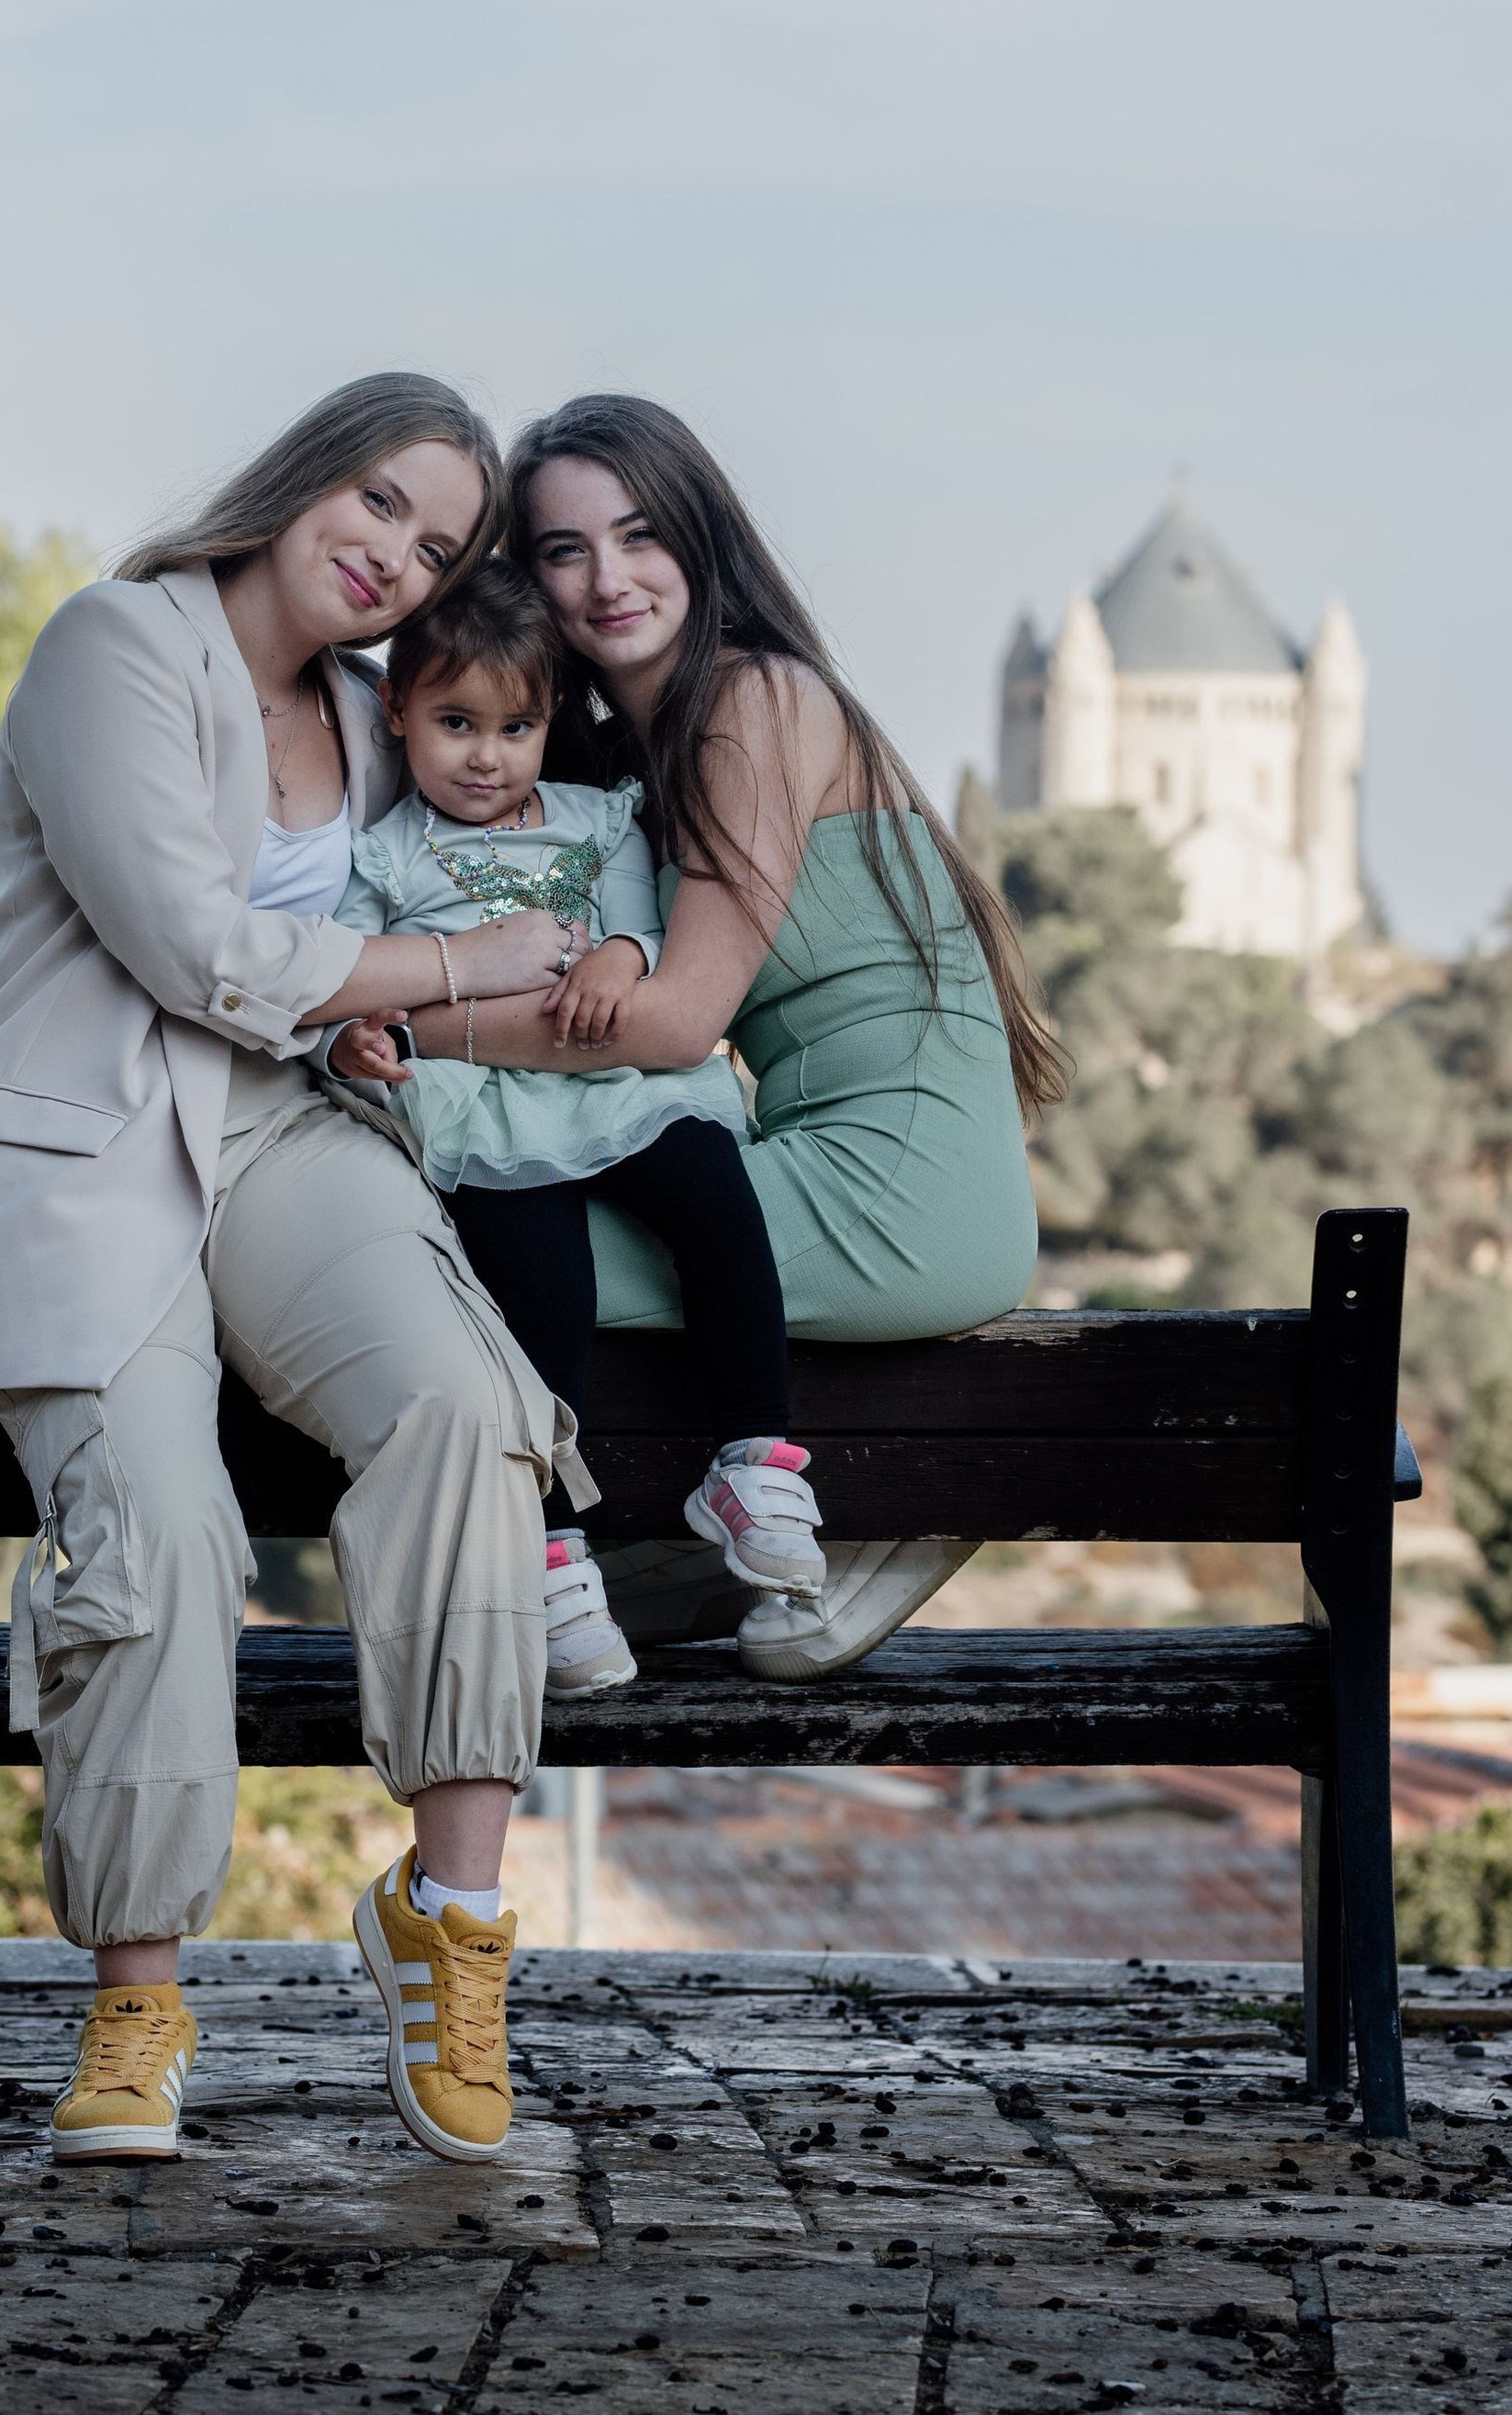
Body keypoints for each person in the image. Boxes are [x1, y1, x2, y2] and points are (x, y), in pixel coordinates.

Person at [0, 375, 579, 2180]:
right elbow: (186, 938)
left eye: (431, 545)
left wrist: (367, 1031)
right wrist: (439, 966)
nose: (388, 556)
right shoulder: (113, 643)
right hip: (80, 1154)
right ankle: (136, 1996)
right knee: (163, 1529)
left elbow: (300, 978)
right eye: (372, 501)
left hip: (278, 1129)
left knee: (462, 1408)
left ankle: (454, 1917)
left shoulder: (366, 710)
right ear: (297, 476)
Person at [395, 393, 1068, 1680]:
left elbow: (675, 1018)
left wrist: (402, 1013)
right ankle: (652, 1564)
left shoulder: (749, 701)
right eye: (563, 549)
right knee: (517, 1217)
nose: (608, 578)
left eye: (641, 534)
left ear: (703, 538)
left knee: (461, 1239)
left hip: (901, 1190)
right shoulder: (624, 759)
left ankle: (859, 1509)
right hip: (869, 1170)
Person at [326, 556, 823, 1699]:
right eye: (454, 722)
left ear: (553, 721)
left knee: (713, 1196)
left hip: (609, 1079)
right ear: (397, 712)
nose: (486, 755)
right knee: (541, 1291)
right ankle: (547, 1547)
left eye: (516, 725)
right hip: (485, 1104)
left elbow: (646, 927)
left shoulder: (601, 822)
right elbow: (350, 977)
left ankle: (755, 1455)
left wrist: (618, 953)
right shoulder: (384, 855)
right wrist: (346, 1042)